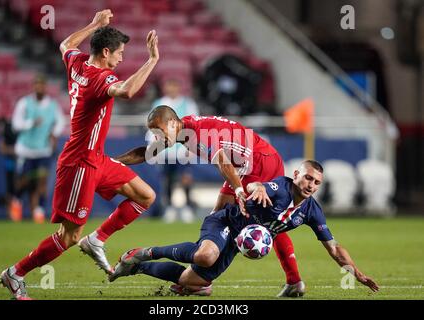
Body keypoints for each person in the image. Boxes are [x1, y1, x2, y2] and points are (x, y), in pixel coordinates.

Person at [0, 9, 159, 300]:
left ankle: (97, 240)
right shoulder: (101, 77)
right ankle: (15, 274)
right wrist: (151, 60)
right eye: (120, 53)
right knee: (69, 235)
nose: (122, 58)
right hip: (80, 163)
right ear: (106, 52)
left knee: (145, 196)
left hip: (96, 158)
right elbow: (125, 91)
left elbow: (65, 45)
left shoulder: (78, 63)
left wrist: (94, 24)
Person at [109, 160, 380, 297]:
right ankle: (147, 252)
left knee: (194, 283)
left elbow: (334, 249)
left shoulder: (311, 211)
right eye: (307, 177)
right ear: (296, 174)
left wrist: (356, 273)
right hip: (225, 222)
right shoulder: (282, 187)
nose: (310, 184)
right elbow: (256, 186)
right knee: (205, 256)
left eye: (316, 182)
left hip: (238, 243)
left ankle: (137, 265)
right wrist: (258, 187)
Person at [115, 105, 305, 297]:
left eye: (159, 132)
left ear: (172, 123)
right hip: (245, 164)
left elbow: (222, 160)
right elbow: (147, 152)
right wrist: (113, 162)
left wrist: (239, 190)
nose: (157, 138)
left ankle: (292, 280)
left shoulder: (199, 135)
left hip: (260, 163)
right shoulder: (180, 130)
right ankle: (201, 270)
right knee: (217, 215)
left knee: (266, 221)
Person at [11, 74, 65, 223]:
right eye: (36, 85)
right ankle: (16, 201)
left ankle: (39, 210)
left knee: (42, 179)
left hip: (43, 149)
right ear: (34, 87)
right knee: (24, 180)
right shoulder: (24, 103)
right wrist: (31, 123)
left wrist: (54, 133)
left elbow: (60, 121)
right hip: (25, 149)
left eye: (41, 85)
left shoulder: (52, 105)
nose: (39, 88)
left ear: (45, 87)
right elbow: (15, 124)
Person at [150, 78, 199, 223]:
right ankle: (170, 207)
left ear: (178, 88)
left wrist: (192, 147)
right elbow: (153, 128)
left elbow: (195, 127)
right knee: (168, 180)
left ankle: (188, 207)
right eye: (168, 86)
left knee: (186, 179)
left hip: (183, 149)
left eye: (174, 86)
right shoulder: (158, 104)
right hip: (166, 150)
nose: (171, 89)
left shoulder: (188, 104)